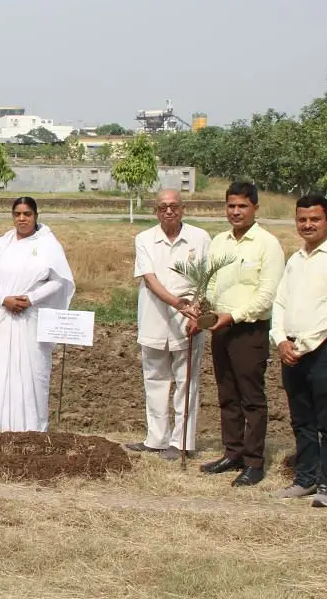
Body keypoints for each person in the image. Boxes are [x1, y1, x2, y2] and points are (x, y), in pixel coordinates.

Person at [196, 181, 284, 487]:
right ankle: (231, 453)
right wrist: (202, 310)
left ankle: (254, 462)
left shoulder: (267, 244)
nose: (236, 212)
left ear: (255, 208)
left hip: (249, 329)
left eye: (242, 206)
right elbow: (210, 283)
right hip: (220, 328)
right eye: (231, 206)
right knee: (226, 394)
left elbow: (267, 294)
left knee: (251, 398)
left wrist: (232, 316)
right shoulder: (219, 242)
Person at [0, 197, 75, 434]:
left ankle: (30, 427)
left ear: (36, 216)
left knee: (32, 370)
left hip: (31, 316)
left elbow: (59, 280)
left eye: (27, 214)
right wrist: (5, 298)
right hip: (3, 315)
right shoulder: (2, 243)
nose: (22, 219)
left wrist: (31, 298)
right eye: (17, 214)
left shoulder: (48, 244)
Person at [270, 194, 327, 509]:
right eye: (302, 219)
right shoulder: (295, 260)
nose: (308, 225)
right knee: (301, 418)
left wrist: (302, 345)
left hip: (325, 350)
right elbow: (280, 302)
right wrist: (280, 340)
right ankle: (305, 479)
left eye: (315, 219)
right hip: (290, 349)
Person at [126, 189, 211, 460]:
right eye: (163, 207)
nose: (169, 211)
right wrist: (179, 304)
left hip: (189, 322)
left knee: (187, 381)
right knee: (155, 379)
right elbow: (149, 279)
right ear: (155, 211)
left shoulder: (200, 238)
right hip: (154, 317)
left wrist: (196, 312)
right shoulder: (145, 239)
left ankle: (182, 442)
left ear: (183, 208)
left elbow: (206, 279)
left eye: (174, 206)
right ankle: (156, 439)